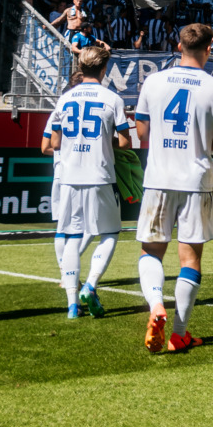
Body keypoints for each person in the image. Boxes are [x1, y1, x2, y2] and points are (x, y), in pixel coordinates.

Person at [132, 23, 213, 355]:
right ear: (210, 48)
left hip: (158, 178)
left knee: (151, 252)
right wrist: (202, 142)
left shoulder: (154, 81)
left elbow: (142, 132)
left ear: (179, 46)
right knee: (190, 259)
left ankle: (155, 305)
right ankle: (178, 335)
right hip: (196, 181)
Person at [41, 45, 132, 319]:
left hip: (69, 176)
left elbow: (54, 142)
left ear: (81, 67)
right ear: (104, 70)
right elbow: (125, 142)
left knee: (72, 236)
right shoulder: (112, 99)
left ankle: (72, 305)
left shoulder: (65, 99)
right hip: (99, 174)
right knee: (110, 232)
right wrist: (105, 141)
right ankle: (90, 285)